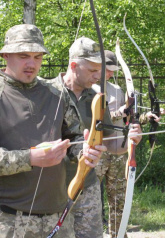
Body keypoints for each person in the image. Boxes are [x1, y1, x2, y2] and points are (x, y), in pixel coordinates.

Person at [0, 24, 106, 238]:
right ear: (5, 55)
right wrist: (30, 158)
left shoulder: (57, 94)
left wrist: (85, 152)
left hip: (57, 217)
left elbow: (73, 138)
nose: (31, 64)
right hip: (6, 221)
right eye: (23, 55)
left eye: (37, 57)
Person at [49, 38, 142, 238]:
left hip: (87, 184)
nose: (98, 76)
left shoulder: (97, 98)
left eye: (100, 70)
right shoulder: (47, 93)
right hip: (52, 185)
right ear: (73, 66)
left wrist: (130, 140)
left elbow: (110, 142)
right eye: (92, 70)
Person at [93, 50, 160, 238]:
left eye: (114, 70)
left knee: (118, 202)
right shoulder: (91, 89)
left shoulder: (117, 90)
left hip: (119, 152)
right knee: (89, 200)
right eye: (108, 70)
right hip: (99, 152)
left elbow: (129, 120)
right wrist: (118, 113)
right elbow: (93, 120)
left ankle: (118, 234)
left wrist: (148, 116)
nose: (111, 74)